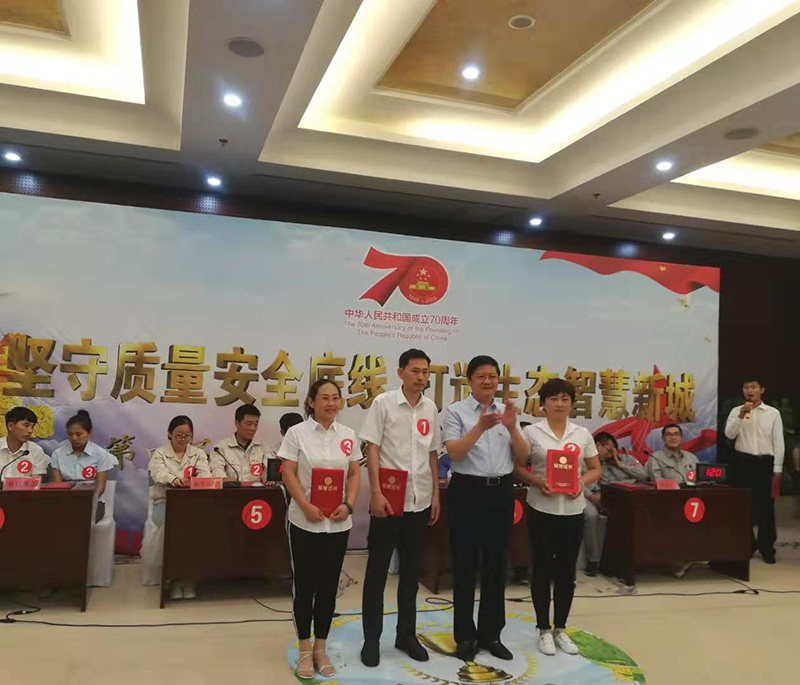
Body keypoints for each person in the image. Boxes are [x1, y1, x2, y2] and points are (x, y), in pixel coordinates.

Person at [442, 355, 528, 662]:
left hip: (501, 492)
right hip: (467, 491)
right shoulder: (455, 411)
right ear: (470, 381)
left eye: (492, 376)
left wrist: (513, 428)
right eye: (481, 376)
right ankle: (465, 637)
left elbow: (523, 456)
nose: (488, 381)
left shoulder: (507, 411)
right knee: (465, 565)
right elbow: (455, 453)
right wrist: (479, 427)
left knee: (497, 565)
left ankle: (491, 634)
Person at [359, 349, 442, 667]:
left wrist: (435, 494)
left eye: (425, 372)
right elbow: (372, 448)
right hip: (388, 501)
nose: (421, 377)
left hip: (419, 501)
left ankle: (406, 635)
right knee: (377, 573)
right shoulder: (383, 404)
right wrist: (375, 492)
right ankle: (371, 639)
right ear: (401, 373)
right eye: (415, 371)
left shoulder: (430, 408)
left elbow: (432, 453)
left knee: (410, 574)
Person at [279, 379, 361, 680]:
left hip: (338, 522)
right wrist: (304, 505)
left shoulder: (348, 435)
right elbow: (288, 472)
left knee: (328, 586)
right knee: (305, 586)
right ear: (311, 403)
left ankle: (321, 647)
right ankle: (304, 648)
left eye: (336, 398)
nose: (331, 403)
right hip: (305, 521)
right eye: (324, 398)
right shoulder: (297, 433)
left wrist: (349, 504)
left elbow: (354, 473)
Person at [514, 378, 601, 657]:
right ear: (543, 404)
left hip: (572, 511)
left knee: (566, 572)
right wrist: (537, 482)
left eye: (565, 399)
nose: (559, 404)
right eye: (553, 399)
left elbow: (595, 468)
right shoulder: (531, 432)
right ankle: (543, 629)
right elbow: (517, 467)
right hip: (541, 509)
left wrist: (581, 483)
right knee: (541, 570)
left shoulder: (582, 434)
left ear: (572, 404)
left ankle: (560, 628)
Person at [141, 416, 211, 598]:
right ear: (169, 434)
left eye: (187, 436)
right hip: (165, 502)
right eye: (179, 435)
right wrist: (173, 479)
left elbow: (205, 475)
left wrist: (195, 481)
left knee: (198, 530)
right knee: (173, 530)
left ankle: (188, 579)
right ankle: (172, 579)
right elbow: (158, 473)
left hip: (191, 504)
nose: (183, 439)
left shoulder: (198, 454)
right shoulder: (159, 454)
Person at [724, 379, 784, 564]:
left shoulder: (773, 413)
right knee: (743, 507)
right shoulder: (736, 411)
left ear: (762, 390)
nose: (749, 390)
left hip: (765, 463)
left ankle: (767, 548)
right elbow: (729, 434)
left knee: (766, 508)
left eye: (753, 387)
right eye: (746, 387)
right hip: (743, 462)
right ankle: (747, 544)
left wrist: (777, 469)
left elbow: (778, 442)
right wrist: (741, 416)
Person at [583, 432, 647, 577]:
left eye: (613, 450)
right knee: (596, 516)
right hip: (605, 497)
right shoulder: (596, 463)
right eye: (609, 450)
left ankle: (639, 559)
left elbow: (643, 476)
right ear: (598, 445)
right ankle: (595, 562)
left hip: (630, 497)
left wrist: (620, 465)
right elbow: (599, 484)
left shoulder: (628, 459)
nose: (611, 454)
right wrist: (592, 496)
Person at [50, 410, 116, 522]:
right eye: (70, 434)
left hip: (93, 502)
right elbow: (58, 485)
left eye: (79, 434)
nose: (74, 438)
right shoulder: (58, 454)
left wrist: (83, 500)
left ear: (90, 433)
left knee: (77, 518)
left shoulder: (101, 454)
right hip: (65, 501)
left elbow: (100, 487)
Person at [210, 404, 269, 482]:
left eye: (256, 424)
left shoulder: (262, 447)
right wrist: (224, 479)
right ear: (237, 423)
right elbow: (216, 468)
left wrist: (268, 478)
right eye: (249, 424)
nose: (253, 428)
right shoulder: (221, 448)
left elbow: (268, 469)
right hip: (231, 489)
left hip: (258, 489)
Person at [0, 406, 49, 483]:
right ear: (10, 426)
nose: (30, 431)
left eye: (32, 427)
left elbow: (35, 483)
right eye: (26, 425)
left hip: (23, 491)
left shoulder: (36, 451)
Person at [265, 412, 304, 478]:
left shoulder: (310, 449)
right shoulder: (273, 452)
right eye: (291, 434)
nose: (295, 437)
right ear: (282, 433)